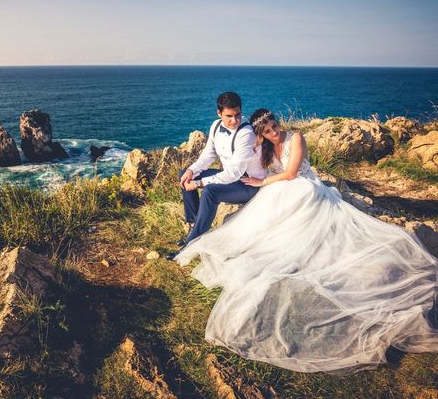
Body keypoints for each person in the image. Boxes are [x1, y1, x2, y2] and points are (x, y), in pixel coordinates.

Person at [174, 108, 438, 373]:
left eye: (274, 126)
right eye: (267, 131)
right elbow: (246, 161)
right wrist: (254, 152)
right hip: (278, 185)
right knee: (268, 202)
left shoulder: (295, 137)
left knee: (279, 193)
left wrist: (259, 182)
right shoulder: (264, 146)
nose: (274, 132)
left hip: (304, 185)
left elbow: (290, 174)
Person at [166, 92, 265, 260]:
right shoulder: (215, 126)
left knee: (209, 191)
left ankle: (192, 241)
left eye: (238, 115)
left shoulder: (246, 133)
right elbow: (208, 156)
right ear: (219, 113)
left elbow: (234, 173)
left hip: (248, 184)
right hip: (229, 178)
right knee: (184, 174)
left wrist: (199, 183)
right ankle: (194, 224)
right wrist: (192, 171)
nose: (234, 121)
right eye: (229, 116)